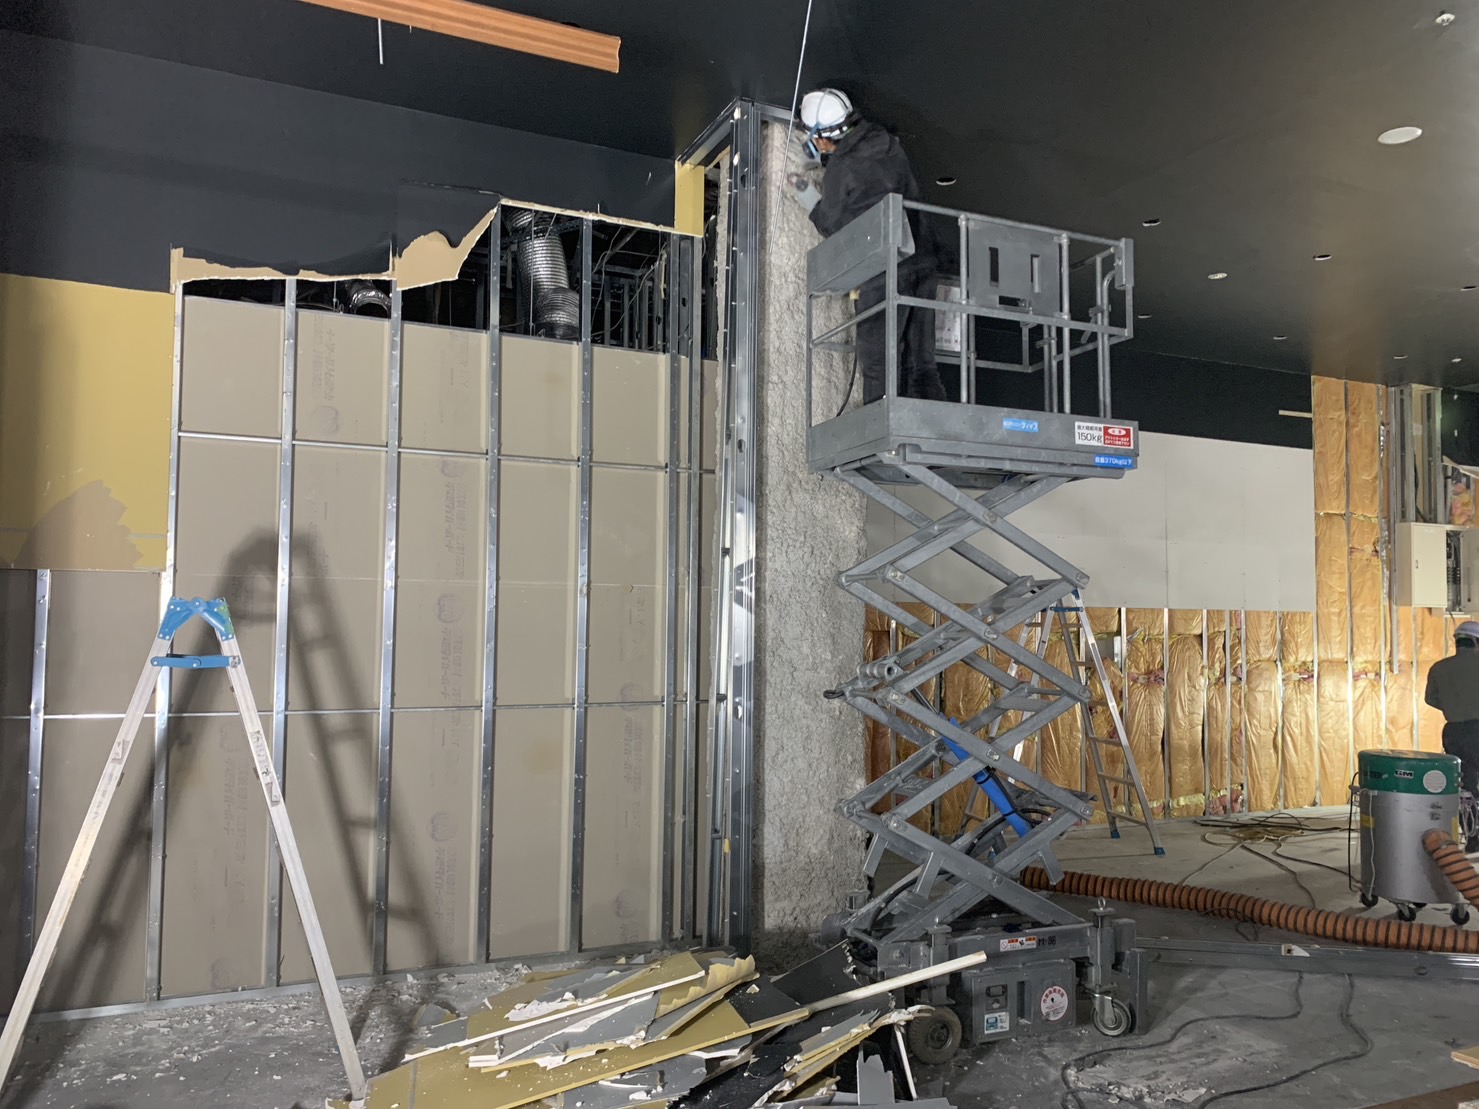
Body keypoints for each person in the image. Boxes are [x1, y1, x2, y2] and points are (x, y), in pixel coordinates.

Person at [791, 88, 948, 405]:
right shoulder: (887, 143)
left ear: (823, 135)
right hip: (923, 261)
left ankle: (881, 429)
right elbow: (873, 188)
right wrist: (828, 159)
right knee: (922, 363)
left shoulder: (841, 168)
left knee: (879, 362)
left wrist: (808, 197)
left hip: (884, 270)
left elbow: (833, 224)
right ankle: (929, 424)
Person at [1424, 620, 1479, 852]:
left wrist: (1454, 706)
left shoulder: (1439, 668)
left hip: (1454, 732)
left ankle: (1473, 837)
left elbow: (1431, 699)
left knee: (1466, 787)